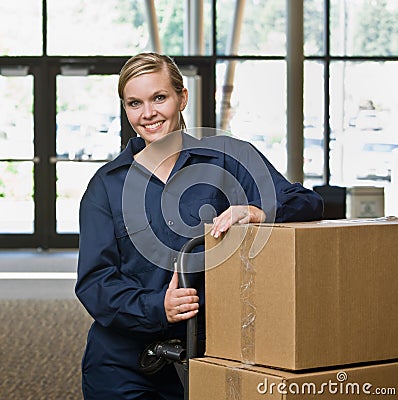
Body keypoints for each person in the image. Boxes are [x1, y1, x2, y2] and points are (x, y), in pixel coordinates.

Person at [75, 52, 323, 400]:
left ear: (182, 98)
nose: (147, 114)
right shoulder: (106, 185)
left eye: (159, 98)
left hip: (208, 355)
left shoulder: (230, 160)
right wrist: (157, 306)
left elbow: (307, 202)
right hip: (122, 365)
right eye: (135, 103)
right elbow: (95, 282)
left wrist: (257, 211)